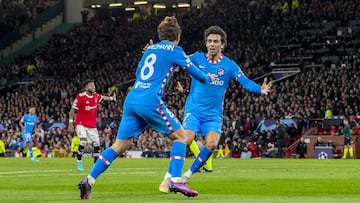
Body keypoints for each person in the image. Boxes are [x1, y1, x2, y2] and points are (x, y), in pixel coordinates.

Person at [77, 16, 216, 200]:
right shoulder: (176, 50)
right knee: (182, 137)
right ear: (178, 36)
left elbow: (139, 74)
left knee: (120, 145)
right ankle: (175, 179)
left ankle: (89, 180)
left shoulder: (150, 49)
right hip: (150, 101)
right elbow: (196, 73)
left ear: (160, 34)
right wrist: (209, 78)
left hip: (132, 99)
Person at [159, 25, 271, 192]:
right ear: (206, 43)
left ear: (222, 45)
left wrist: (259, 89)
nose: (212, 44)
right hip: (194, 110)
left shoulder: (229, 65)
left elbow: (245, 81)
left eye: (216, 41)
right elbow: (176, 60)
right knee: (185, 139)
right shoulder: (196, 58)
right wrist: (156, 52)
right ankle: (169, 178)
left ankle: (186, 176)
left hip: (213, 115)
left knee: (211, 144)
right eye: (209, 41)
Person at [68, 79, 116, 172]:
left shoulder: (96, 96)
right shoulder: (80, 97)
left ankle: (95, 165)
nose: (93, 87)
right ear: (86, 87)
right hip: (80, 123)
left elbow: (103, 97)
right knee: (83, 141)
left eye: (94, 85)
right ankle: (79, 161)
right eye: (91, 86)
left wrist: (111, 98)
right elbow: (72, 111)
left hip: (92, 126)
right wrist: (70, 123)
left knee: (97, 144)